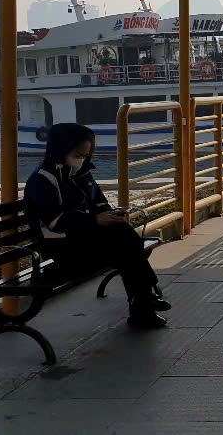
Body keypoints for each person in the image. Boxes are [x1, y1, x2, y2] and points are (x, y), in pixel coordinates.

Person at [24, 123, 171, 328]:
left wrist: (109, 213)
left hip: (83, 242)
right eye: (77, 155)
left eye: (85, 156)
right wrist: (94, 220)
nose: (81, 160)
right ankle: (144, 300)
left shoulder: (81, 173)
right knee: (127, 246)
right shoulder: (43, 180)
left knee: (124, 241)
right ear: (61, 149)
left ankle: (143, 302)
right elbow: (55, 222)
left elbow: (98, 203)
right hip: (62, 250)